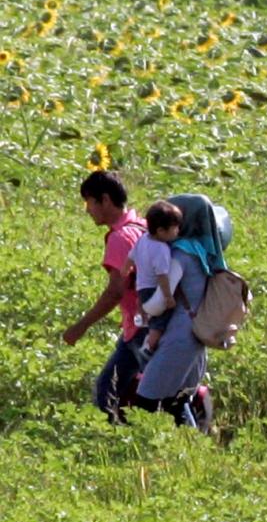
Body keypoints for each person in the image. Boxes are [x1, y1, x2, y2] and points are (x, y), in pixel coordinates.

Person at [134, 194, 227, 426]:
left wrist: (143, 308)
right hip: (194, 336)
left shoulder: (180, 255)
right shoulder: (201, 251)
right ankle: (193, 448)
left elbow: (159, 303)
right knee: (178, 402)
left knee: (146, 401)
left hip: (179, 337)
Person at [65, 171, 147, 423]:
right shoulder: (142, 226)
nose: (87, 210)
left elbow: (115, 291)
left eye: (89, 202)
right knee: (143, 390)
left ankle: (115, 444)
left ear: (105, 200)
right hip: (152, 323)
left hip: (141, 328)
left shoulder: (121, 238)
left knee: (106, 393)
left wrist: (81, 325)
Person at [123, 200, 183, 357]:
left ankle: (144, 326)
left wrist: (125, 268)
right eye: (175, 228)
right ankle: (149, 346)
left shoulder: (143, 239)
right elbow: (162, 276)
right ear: (161, 231)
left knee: (148, 316)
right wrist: (168, 297)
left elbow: (131, 256)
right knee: (160, 321)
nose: (178, 230)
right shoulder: (162, 249)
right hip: (153, 290)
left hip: (141, 289)